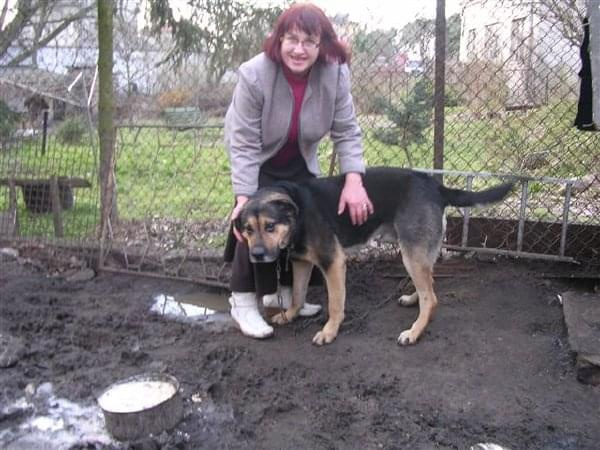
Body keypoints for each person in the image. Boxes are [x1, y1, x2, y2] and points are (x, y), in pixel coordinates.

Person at [224, 2, 374, 339]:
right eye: (291, 39)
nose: (299, 49)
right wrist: (243, 197)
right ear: (278, 41)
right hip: (259, 156)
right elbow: (245, 142)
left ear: (322, 46)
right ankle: (243, 301)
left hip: (300, 157)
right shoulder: (253, 74)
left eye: (310, 41)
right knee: (255, 221)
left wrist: (354, 179)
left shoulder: (334, 72)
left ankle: (289, 297)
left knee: (302, 223)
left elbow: (347, 130)